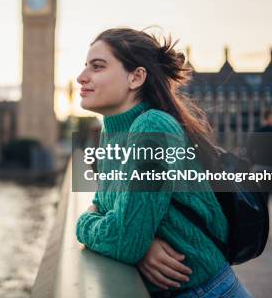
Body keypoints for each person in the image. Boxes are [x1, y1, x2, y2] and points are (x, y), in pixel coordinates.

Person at [75, 28, 252, 297]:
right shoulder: (113, 132)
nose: (81, 77)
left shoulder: (153, 128)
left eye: (97, 67)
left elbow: (124, 240)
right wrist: (141, 243)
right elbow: (102, 205)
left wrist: (84, 225)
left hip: (208, 292)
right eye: (85, 66)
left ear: (136, 77)